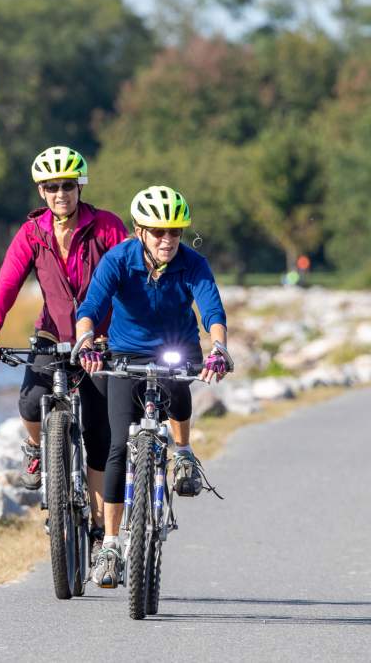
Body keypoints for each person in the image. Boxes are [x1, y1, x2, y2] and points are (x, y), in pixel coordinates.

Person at [74, 185, 231, 588]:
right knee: (116, 446)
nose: (167, 240)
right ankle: (109, 544)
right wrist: (86, 339)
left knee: (179, 385)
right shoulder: (119, 259)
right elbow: (92, 305)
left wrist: (220, 349)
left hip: (176, 348)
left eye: (175, 232)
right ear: (140, 230)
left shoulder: (193, 263)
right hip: (126, 355)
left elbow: (211, 308)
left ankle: (182, 452)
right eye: (158, 232)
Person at [0, 145, 127, 546]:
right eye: (53, 187)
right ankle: (37, 448)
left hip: (102, 340)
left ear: (79, 188)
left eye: (69, 186)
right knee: (29, 403)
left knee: (99, 434)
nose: (62, 194)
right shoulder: (32, 233)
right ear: (42, 191)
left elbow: (131, 279)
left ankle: (95, 522)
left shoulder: (107, 227)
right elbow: (7, 285)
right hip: (53, 334)